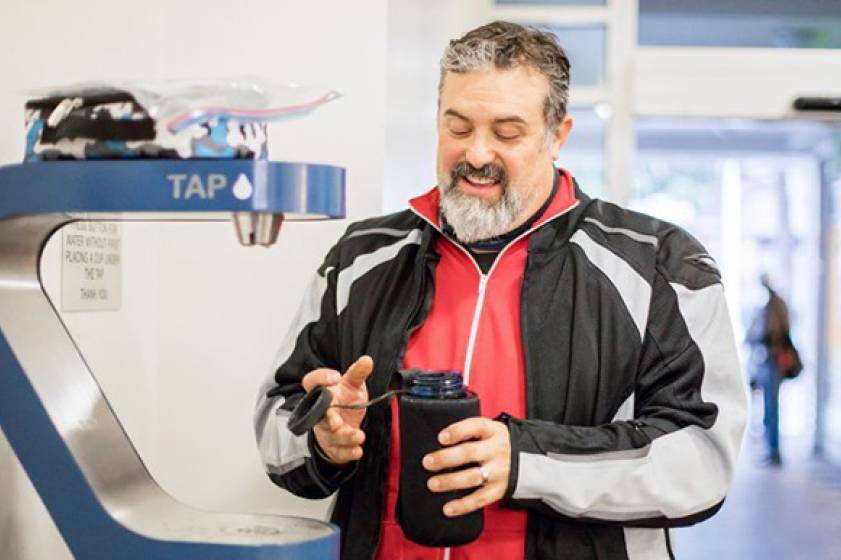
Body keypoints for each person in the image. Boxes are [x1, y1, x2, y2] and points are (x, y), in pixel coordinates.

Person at [254, 21, 748, 559]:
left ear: (557, 136)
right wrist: (324, 440)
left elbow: (702, 460)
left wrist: (525, 461)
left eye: (507, 132)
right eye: (458, 128)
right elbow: (279, 417)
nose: (478, 154)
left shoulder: (659, 264)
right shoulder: (360, 257)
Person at [746, 274, 792, 466]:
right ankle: (771, 449)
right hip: (769, 361)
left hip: (772, 361)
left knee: (771, 407)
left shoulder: (774, 305)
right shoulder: (774, 304)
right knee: (768, 407)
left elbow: (769, 333)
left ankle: (773, 451)